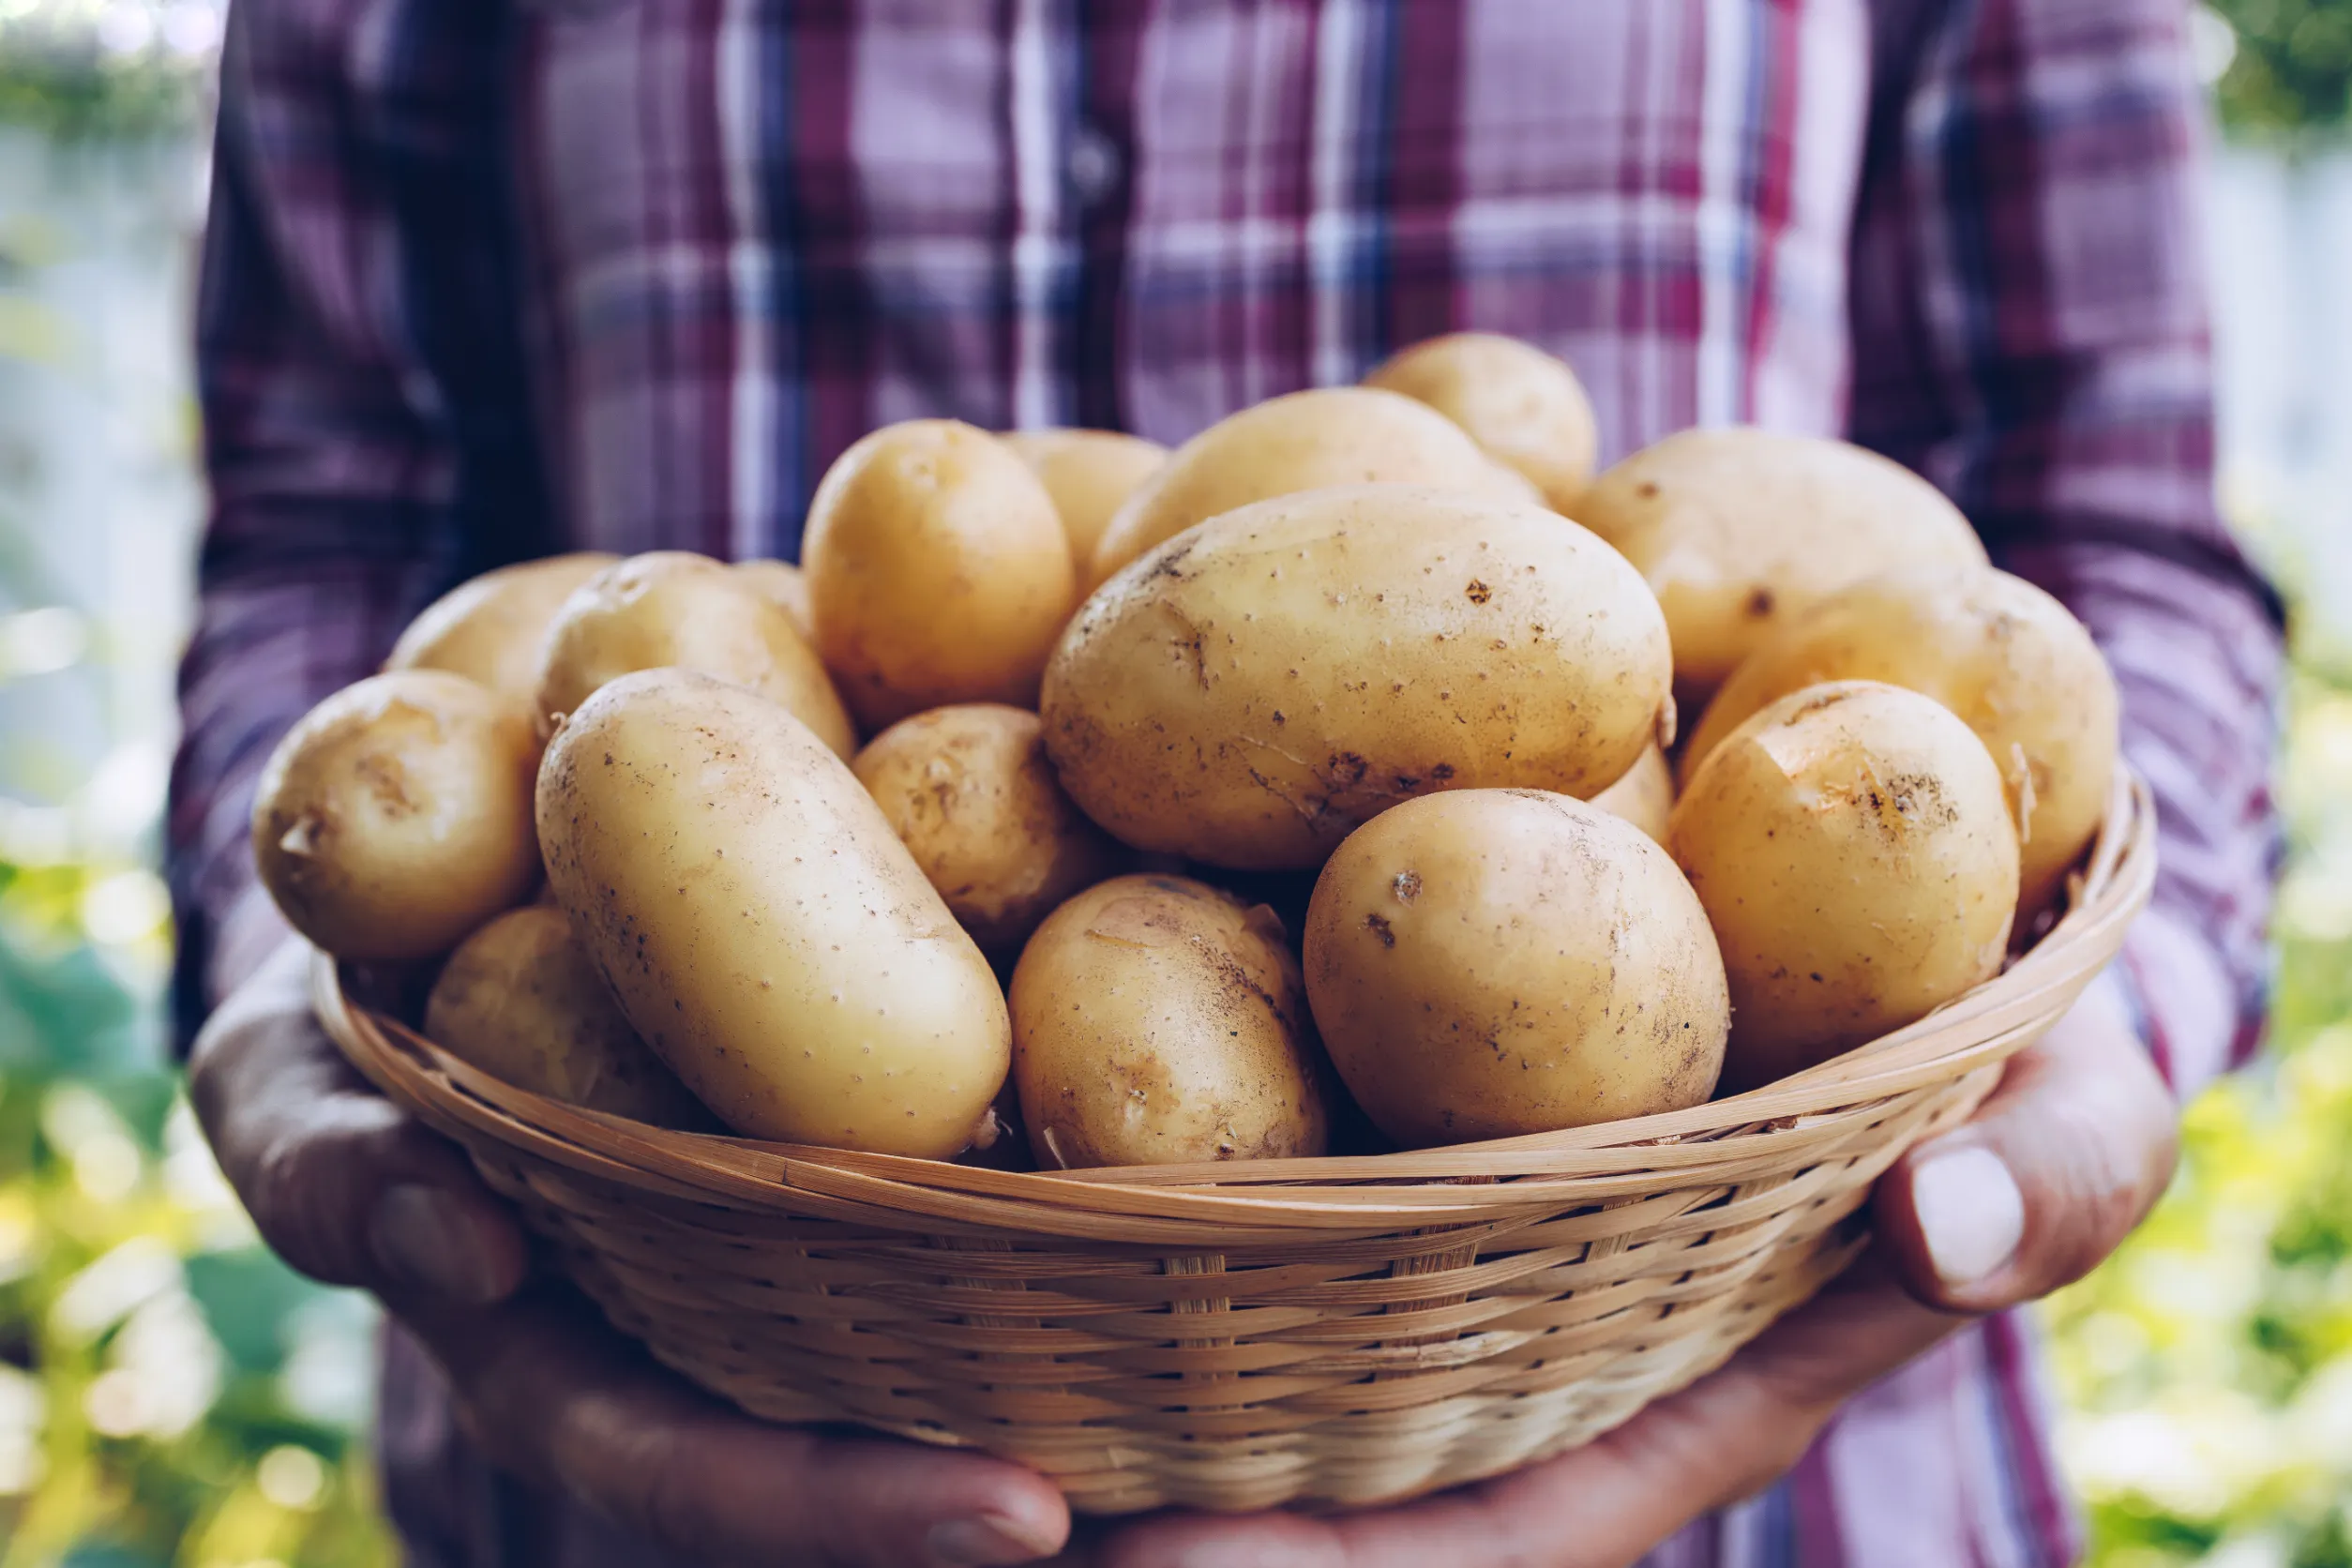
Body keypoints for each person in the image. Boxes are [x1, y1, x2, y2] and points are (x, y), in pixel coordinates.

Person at [170, 2, 2284, 1564]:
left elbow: (2117, 525)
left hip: (1765, 1432)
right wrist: (288, 1007)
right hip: (659, 1367)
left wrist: (2085, 1060)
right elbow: (316, 515)